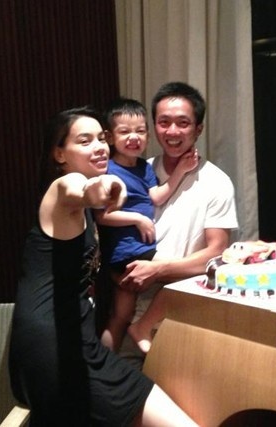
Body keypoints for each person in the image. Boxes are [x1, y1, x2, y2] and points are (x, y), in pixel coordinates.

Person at [8, 107, 197, 426]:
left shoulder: (82, 207)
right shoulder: (65, 188)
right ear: (59, 154)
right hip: (55, 346)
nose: (98, 147)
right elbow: (77, 191)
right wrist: (102, 188)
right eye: (84, 141)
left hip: (70, 340)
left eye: (100, 138)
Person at [117, 82, 238, 361]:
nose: (172, 131)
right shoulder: (138, 171)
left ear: (198, 129)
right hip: (129, 305)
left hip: (182, 314)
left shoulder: (216, 182)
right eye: (164, 122)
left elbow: (217, 253)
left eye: (183, 123)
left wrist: (157, 270)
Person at [95, 98, 198, 354]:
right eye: (125, 132)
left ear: (148, 136)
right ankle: (142, 328)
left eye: (140, 131)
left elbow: (157, 197)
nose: (134, 137)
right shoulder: (109, 170)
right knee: (187, 277)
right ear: (110, 137)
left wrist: (181, 170)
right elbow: (102, 216)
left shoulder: (144, 167)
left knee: (120, 316)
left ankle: (105, 363)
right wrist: (137, 219)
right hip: (127, 252)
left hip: (136, 250)